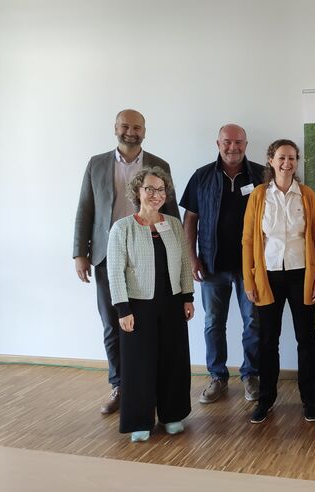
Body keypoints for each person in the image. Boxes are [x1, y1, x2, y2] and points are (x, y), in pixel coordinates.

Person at [73, 109, 179, 414]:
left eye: (136, 127)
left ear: (145, 131)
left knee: (148, 325)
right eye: (125, 126)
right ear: (115, 128)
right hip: (108, 256)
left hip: (151, 255)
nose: (130, 131)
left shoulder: (160, 165)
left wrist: (175, 257)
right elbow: (85, 209)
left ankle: (150, 387)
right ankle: (120, 385)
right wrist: (81, 253)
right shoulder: (97, 164)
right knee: (112, 324)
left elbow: (171, 215)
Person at [106, 167, 194, 442]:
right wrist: (122, 309)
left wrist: (187, 297)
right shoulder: (123, 228)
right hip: (137, 306)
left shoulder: (173, 224)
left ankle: (172, 415)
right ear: (138, 192)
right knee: (138, 365)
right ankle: (139, 420)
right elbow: (115, 271)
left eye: (160, 190)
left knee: (173, 361)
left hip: (171, 303)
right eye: (150, 189)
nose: (156, 195)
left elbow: (183, 264)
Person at [242, 139, 315, 424]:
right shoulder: (258, 197)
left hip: (302, 274)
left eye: (292, 158)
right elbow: (248, 240)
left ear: (297, 162)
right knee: (267, 340)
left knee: (306, 339)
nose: (287, 163)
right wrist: (249, 279)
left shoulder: (306, 195)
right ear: (270, 160)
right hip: (267, 276)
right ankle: (265, 400)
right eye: (281, 158)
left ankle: (310, 400)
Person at [180, 124, 264, 404]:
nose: (233, 147)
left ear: (246, 144)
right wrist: (191, 259)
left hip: (250, 266)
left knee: (253, 322)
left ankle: (251, 375)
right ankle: (217, 377)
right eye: (227, 142)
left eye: (238, 142)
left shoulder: (262, 174)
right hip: (211, 265)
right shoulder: (202, 176)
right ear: (217, 143)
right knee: (213, 322)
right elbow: (190, 220)